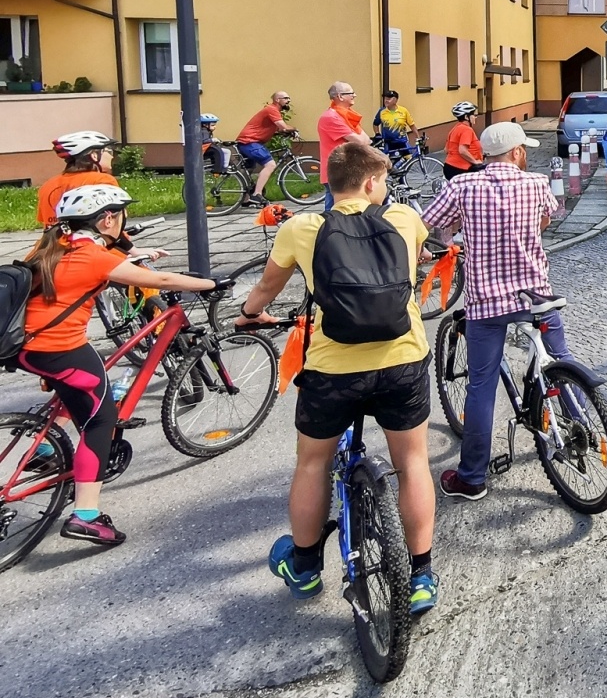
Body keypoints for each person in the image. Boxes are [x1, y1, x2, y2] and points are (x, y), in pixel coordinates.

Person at [238, 142, 438, 612]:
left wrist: (249, 315)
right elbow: (417, 257)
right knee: (412, 464)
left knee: (313, 463)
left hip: (334, 369)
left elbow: (268, 287)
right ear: (370, 183)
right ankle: (422, 575)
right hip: (402, 360)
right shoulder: (405, 219)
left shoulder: (301, 228)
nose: (384, 189)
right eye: (383, 182)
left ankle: (305, 568)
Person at [20, 184, 220, 546]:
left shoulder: (52, 247)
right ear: (107, 219)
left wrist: (135, 254)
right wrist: (209, 283)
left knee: (80, 390)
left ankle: (48, 450)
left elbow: (103, 263)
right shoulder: (94, 258)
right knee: (101, 419)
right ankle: (86, 516)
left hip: (24, 346)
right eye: (122, 216)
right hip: (59, 348)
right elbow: (160, 281)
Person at [417, 123, 567, 501]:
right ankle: (576, 424)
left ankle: (471, 478)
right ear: (516, 152)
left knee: (481, 385)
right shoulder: (535, 183)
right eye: (524, 149)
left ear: (485, 153)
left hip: (486, 303)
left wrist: (427, 247)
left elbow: (426, 224)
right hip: (536, 295)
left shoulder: (462, 186)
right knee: (561, 359)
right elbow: (546, 220)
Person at [35, 131, 117, 226]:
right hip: (89, 240)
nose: (111, 156)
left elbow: (47, 224)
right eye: (108, 151)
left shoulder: (48, 185)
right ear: (94, 155)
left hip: (53, 240)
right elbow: (113, 223)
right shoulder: (104, 181)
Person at [235, 91, 294, 206]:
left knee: (248, 171)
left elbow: (274, 128)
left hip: (247, 142)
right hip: (250, 142)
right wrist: (294, 130)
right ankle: (257, 194)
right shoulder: (272, 109)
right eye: (286, 98)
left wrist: (281, 133)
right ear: (277, 100)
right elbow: (283, 126)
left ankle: (246, 199)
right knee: (270, 164)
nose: (288, 100)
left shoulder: (273, 111)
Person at [318, 82, 370, 211]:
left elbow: (367, 140)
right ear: (340, 96)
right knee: (334, 212)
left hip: (346, 170)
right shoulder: (331, 117)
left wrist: (361, 140)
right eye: (351, 93)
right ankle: (328, 230)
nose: (355, 95)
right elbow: (361, 141)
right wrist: (360, 140)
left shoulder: (346, 115)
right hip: (336, 172)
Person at [444, 102, 483, 181]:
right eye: (474, 115)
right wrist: (475, 161)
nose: (475, 117)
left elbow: (446, 150)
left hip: (449, 167)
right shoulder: (466, 130)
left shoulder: (455, 128)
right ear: (466, 117)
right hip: (462, 169)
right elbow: (462, 150)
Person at [372, 90, 418, 156]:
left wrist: (417, 138)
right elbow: (375, 124)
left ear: (395, 100)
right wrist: (377, 134)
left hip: (402, 141)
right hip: (388, 143)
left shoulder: (403, 111)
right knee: (390, 162)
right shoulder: (382, 111)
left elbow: (412, 126)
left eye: (389, 99)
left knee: (408, 160)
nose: (386, 100)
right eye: (385, 98)